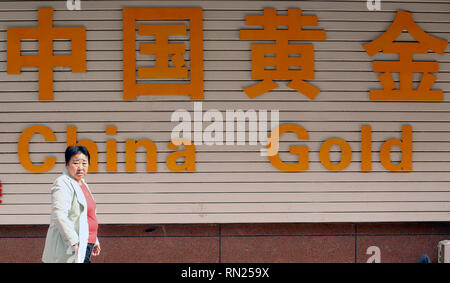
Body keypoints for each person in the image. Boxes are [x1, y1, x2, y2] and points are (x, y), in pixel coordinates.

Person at [42, 145, 100, 263]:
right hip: (71, 245)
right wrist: (73, 242)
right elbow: (59, 215)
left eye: (84, 163)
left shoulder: (82, 184)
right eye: (76, 163)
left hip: (86, 242)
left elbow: (87, 216)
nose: (80, 167)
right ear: (67, 164)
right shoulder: (62, 183)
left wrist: (94, 240)